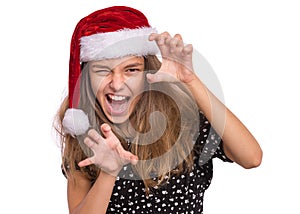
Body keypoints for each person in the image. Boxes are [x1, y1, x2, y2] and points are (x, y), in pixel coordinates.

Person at [54, 5, 263, 214]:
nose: (117, 84)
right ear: (86, 77)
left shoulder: (186, 119)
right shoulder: (84, 133)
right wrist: (108, 174)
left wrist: (190, 80)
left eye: (131, 70)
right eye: (103, 71)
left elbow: (251, 158)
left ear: (147, 72)